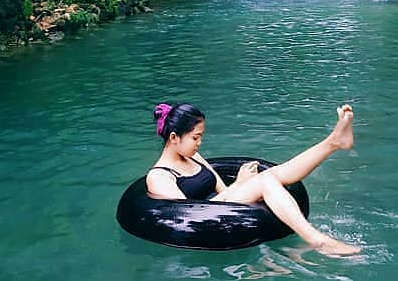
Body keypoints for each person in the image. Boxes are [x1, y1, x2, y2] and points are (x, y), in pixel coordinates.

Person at [146, 103, 361, 256]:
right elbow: (190, 216)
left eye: (201, 136)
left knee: (274, 174)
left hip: (225, 202)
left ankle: (334, 142)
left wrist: (238, 186)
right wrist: (240, 185)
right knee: (265, 182)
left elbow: (222, 190)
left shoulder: (193, 156)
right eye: (195, 137)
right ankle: (318, 241)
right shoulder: (159, 177)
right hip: (213, 219)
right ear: (174, 138)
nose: (200, 143)